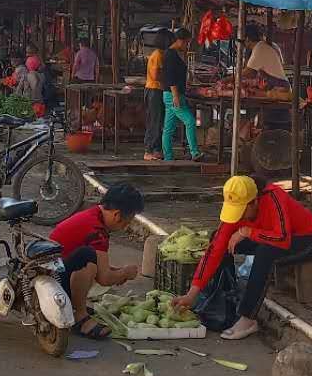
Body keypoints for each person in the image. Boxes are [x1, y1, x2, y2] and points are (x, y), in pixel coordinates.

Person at [173, 175, 312, 340]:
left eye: (242, 211)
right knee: (218, 238)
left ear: (255, 201)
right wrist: (192, 293)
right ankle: (224, 297)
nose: (238, 217)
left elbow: (282, 238)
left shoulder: (274, 197)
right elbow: (214, 250)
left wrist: (248, 232)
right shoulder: (237, 212)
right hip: (267, 238)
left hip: (306, 240)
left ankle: (248, 318)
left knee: (265, 253)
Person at [49, 183, 144, 339]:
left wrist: (117, 272)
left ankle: (74, 305)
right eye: (127, 222)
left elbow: (102, 268)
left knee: (89, 258)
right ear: (117, 215)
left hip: (55, 270)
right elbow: (104, 278)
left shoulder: (92, 214)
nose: (126, 226)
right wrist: (125, 273)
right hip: (54, 280)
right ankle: (80, 317)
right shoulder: (97, 231)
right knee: (87, 257)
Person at [160, 28, 202, 161]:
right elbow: (170, 77)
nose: (187, 46)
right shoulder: (170, 55)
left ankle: (168, 157)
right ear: (180, 41)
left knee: (169, 127)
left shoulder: (173, 54)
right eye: (186, 43)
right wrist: (175, 96)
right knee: (190, 121)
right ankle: (194, 152)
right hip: (172, 94)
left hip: (171, 94)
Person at [243, 23, 289, 88]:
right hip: (278, 86)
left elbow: (250, 72)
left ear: (247, 39)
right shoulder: (259, 46)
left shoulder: (260, 48)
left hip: (281, 88)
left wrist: (228, 79)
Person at [143, 35, 166, 160]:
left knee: (158, 121)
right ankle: (149, 150)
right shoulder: (157, 55)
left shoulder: (160, 54)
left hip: (156, 89)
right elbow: (156, 75)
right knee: (154, 121)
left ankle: (156, 149)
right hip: (154, 90)